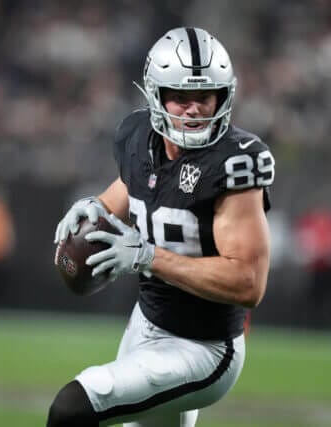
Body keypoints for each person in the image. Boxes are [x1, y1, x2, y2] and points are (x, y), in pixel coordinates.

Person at [48, 27, 275, 427]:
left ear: (223, 97)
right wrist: (94, 207)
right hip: (146, 322)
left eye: (205, 97)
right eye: (181, 97)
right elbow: (132, 188)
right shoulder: (139, 137)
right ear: (156, 94)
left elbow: (248, 283)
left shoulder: (235, 163)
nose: (194, 109)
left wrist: (148, 256)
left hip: (203, 348)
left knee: (73, 408)